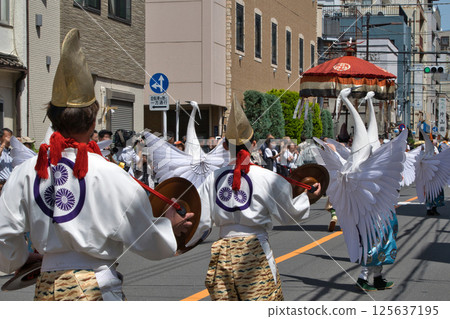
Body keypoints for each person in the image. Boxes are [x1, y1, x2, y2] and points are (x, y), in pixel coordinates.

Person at [0, 29, 193, 301]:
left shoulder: (24, 172)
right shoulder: (112, 174)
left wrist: (20, 257)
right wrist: (168, 226)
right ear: (94, 122)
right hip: (94, 286)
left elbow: (3, 237)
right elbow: (148, 242)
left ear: (52, 120)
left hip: (46, 288)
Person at [188, 97, 321, 301]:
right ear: (253, 144)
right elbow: (290, 215)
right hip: (255, 250)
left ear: (224, 146)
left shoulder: (211, 179)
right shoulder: (268, 178)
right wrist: (307, 197)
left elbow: (201, 222)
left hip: (222, 253)